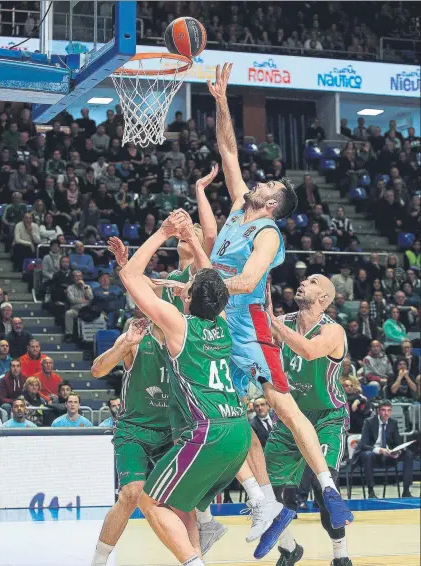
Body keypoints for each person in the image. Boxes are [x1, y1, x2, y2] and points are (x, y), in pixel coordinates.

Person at [205, 63, 351, 548]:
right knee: (225, 415)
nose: (259, 183)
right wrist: (223, 101)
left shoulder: (266, 231)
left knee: (284, 407)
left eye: (268, 187)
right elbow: (227, 149)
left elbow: (248, 280)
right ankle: (266, 509)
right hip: (216, 325)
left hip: (247, 326)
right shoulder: (236, 209)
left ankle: (328, 489)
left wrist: (206, 279)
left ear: (272, 204)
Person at [110, 218, 251, 566]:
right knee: (180, 504)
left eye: (187, 288)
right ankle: (207, 529)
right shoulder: (221, 322)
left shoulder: (179, 326)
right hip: (239, 432)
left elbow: (130, 277)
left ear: (187, 298)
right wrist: (193, 240)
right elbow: (212, 283)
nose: (182, 287)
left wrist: (163, 233)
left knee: (149, 499)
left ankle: (194, 562)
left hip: (208, 433)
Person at [262, 273, 353, 565]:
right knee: (270, 492)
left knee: (323, 486)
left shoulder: (333, 330)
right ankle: (290, 548)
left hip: (327, 417)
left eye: (313, 282)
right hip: (291, 416)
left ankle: (340, 554)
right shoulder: (283, 321)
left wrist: (273, 324)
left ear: (324, 299)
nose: (303, 282)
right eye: (304, 280)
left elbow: (310, 351)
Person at [90, 319, 171, 565]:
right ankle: (99, 559)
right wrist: (125, 344)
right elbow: (97, 370)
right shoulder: (136, 337)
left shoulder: (182, 333)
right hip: (134, 428)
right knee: (131, 493)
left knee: (185, 499)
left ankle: (196, 555)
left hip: (171, 430)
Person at [357, 400, 414, 498]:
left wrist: (397, 451)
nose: (386, 413)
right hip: (373, 454)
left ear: (391, 412)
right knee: (368, 455)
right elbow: (363, 444)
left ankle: (406, 491)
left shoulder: (393, 423)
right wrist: (379, 450)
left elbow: (398, 443)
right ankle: (371, 491)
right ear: (379, 411)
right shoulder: (369, 422)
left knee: (408, 454)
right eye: (383, 410)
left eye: (388, 410)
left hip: (388, 455)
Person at [65, 270, 94, 342]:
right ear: (73, 278)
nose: (78, 278)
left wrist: (84, 287)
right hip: (76, 310)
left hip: (86, 310)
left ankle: (90, 336)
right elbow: (72, 300)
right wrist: (83, 300)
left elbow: (90, 298)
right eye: (76, 276)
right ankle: (69, 335)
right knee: (68, 313)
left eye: (80, 276)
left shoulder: (87, 287)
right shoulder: (70, 288)